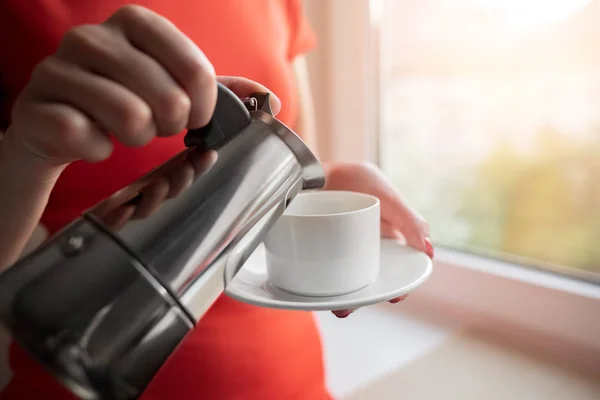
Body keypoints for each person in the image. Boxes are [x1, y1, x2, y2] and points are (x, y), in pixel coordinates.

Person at [0, 1, 433, 399]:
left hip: (291, 381)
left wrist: (340, 187)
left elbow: (300, 172)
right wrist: (27, 155)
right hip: (78, 371)